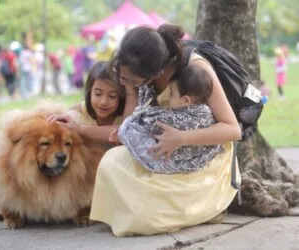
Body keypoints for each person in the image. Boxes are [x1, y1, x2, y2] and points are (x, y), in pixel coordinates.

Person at [86, 24, 241, 236]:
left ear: (156, 73)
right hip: (161, 152)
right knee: (112, 163)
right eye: (121, 77)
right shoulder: (133, 73)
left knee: (143, 218)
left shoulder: (196, 68)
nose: (123, 83)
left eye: (130, 81)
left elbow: (232, 129)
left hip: (201, 155)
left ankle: (205, 207)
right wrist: (80, 128)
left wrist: (182, 138)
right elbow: (127, 125)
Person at [118, 65, 224, 174]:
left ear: (186, 100)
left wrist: (126, 126)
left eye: (172, 94)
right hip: (199, 161)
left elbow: (147, 120)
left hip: (172, 163)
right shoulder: (207, 113)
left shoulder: (175, 118)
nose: (169, 98)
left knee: (128, 128)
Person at [48, 61, 125, 147]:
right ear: (90, 92)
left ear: (121, 97)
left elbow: (124, 132)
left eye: (112, 96)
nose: (104, 102)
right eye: (98, 94)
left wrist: (80, 129)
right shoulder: (76, 115)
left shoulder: (125, 117)